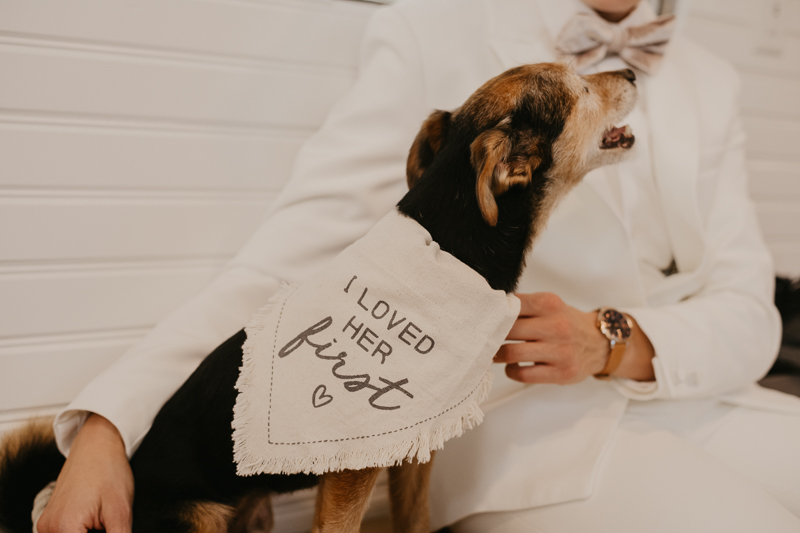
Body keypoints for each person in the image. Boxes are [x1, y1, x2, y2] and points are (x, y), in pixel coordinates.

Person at [37, 0, 800, 532]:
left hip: (694, 393)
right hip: (522, 431)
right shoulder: (432, 28)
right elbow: (291, 262)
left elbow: (748, 305)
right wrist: (107, 426)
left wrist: (614, 339)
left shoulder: (712, 80)